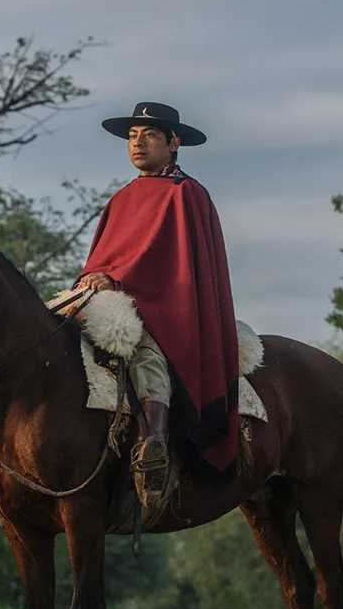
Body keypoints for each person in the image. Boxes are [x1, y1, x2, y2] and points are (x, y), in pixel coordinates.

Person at [77, 102, 241, 493]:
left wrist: (115, 279)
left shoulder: (187, 194)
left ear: (174, 143)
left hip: (161, 307)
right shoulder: (121, 198)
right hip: (107, 297)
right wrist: (92, 278)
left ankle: (153, 442)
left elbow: (175, 267)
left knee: (144, 354)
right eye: (133, 136)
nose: (138, 144)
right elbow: (102, 257)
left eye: (149, 135)